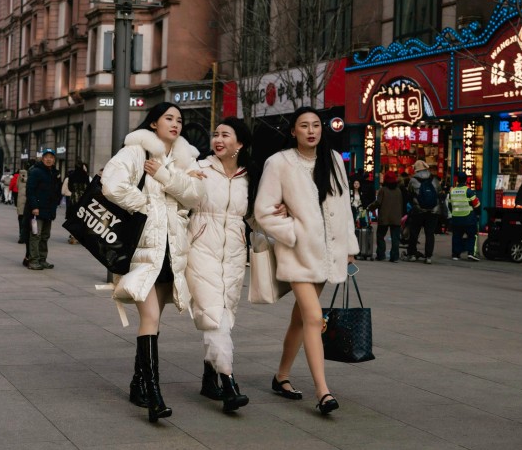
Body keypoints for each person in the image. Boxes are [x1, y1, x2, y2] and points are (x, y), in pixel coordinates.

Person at [102, 102, 204, 423]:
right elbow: (111, 184)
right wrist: (144, 203)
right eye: (168, 118)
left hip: (171, 250)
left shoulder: (185, 158)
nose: (175, 124)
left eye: (179, 120)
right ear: (154, 123)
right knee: (149, 319)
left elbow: (195, 195)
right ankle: (154, 395)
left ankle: (137, 383)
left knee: (155, 321)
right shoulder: (136, 151)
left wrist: (164, 175)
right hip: (142, 249)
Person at [254, 107, 358, 416]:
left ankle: (281, 376)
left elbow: (344, 208)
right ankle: (323, 391)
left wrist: (349, 245)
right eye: (304, 126)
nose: (311, 130)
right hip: (297, 253)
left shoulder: (335, 161)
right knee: (314, 317)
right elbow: (263, 211)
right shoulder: (280, 163)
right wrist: (293, 233)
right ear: (293, 131)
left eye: (315, 125)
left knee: (301, 318)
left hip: (328, 254)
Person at [185, 118, 253, 413]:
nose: (218, 139)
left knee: (225, 314)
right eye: (216, 134)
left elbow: (255, 215)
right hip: (200, 247)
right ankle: (228, 382)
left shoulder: (249, 178)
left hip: (235, 253)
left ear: (239, 144)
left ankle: (209, 378)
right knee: (213, 315)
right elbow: (180, 195)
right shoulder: (199, 169)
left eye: (226, 134)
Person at [26, 150, 62, 270]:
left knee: (45, 236)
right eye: (46, 157)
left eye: (51, 157)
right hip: (37, 210)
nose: (49, 159)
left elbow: (57, 190)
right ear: (42, 159)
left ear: (54, 160)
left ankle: (42, 259)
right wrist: (34, 207)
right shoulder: (36, 171)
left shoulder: (54, 173)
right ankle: (33, 260)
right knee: (36, 235)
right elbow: (30, 191)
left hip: (49, 210)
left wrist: (56, 203)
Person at [405, 159, 443, 264]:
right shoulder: (434, 179)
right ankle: (428, 257)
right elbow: (439, 194)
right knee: (430, 234)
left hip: (418, 210)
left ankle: (412, 254)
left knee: (414, 232)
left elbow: (409, 195)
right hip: (433, 210)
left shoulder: (413, 180)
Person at [370, 171, 404, 262]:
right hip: (396, 217)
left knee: (380, 236)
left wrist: (370, 208)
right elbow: (401, 203)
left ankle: (381, 255)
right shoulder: (398, 190)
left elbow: (378, 202)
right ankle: (394, 256)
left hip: (384, 217)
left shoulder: (383, 190)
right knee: (395, 238)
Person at [449, 172, 481, 261]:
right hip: (468, 218)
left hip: (456, 218)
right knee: (472, 235)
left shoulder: (452, 191)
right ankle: (471, 253)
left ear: (457, 180)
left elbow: (449, 205)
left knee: (456, 236)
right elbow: (477, 204)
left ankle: (455, 254)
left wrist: (455, 212)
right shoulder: (469, 191)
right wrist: (477, 214)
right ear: (466, 180)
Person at [65, 159, 89, 244]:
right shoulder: (85, 175)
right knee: (82, 218)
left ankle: (73, 236)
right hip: (83, 199)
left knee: (73, 217)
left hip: (74, 199)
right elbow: (88, 187)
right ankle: (80, 236)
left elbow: (70, 188)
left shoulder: (72, 175)